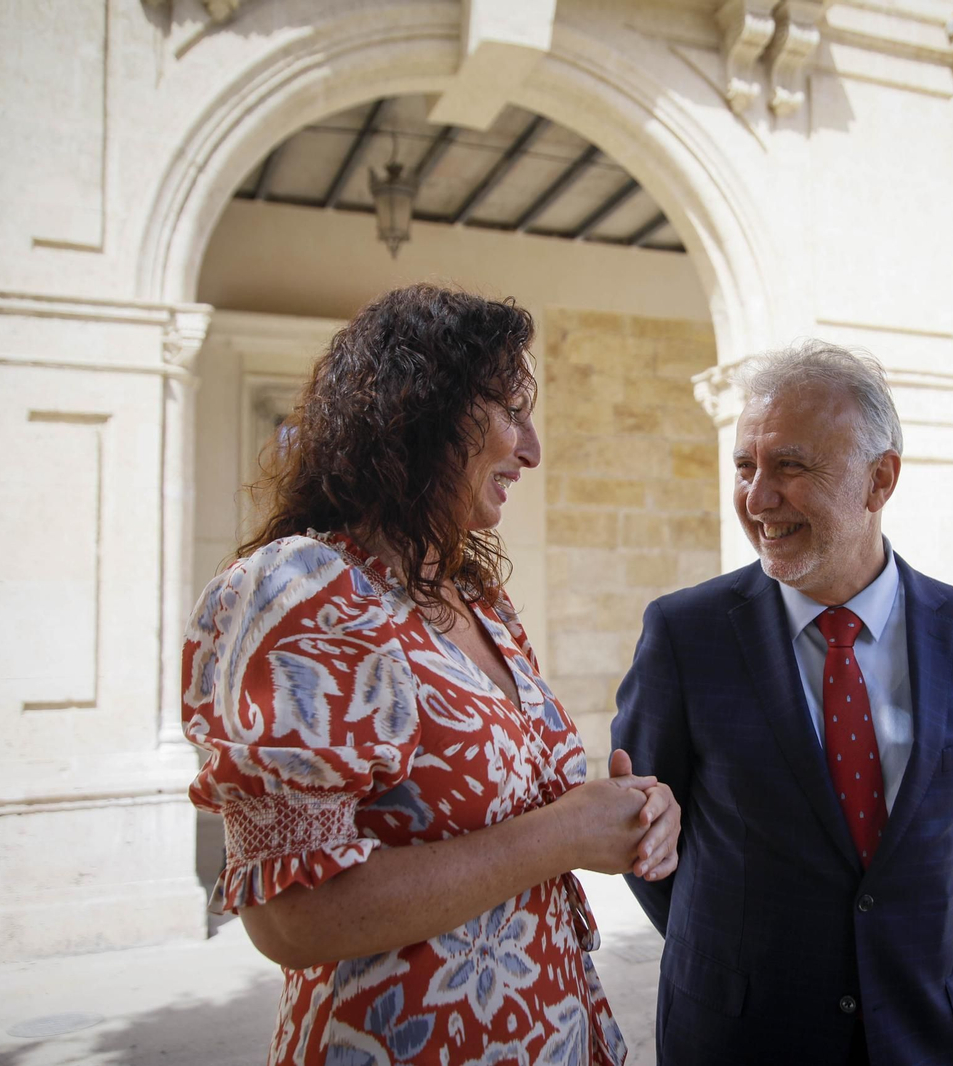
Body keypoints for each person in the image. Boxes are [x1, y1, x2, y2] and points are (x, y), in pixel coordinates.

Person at [182, 284, 679, 1066]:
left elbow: (517, 817)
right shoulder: (303, 589)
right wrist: (565, 832)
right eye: (512, 411)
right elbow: (291, 918)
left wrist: (632, 810)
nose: (533, 448)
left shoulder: (479, 600)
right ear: (425, 410)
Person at [610, 341, 953, 1066]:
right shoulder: (686, 635)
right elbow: (647, 839)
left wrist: (904, 942)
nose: (757, 498)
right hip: (745, 1034)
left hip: (938, 1028)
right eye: (745, 467)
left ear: (880, 480)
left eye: (790, 466)